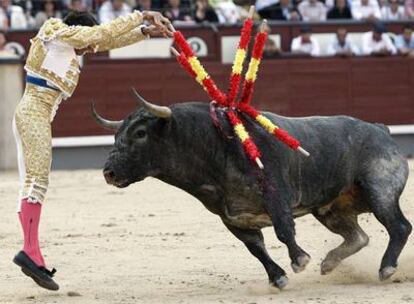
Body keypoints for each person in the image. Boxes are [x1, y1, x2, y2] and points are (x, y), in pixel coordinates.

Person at [12, 9, 172, 291]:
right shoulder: (56, 32)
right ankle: (29, 252)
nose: (87, 51)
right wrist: (143, 15)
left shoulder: (66, 44)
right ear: (78, 30)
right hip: (33, 114)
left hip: (34, 114)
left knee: (32, 183)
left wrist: (145, 31)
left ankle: (32, 253)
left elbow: (105, 41)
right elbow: (100, 35)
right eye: (85, 43)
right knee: (37, 182)